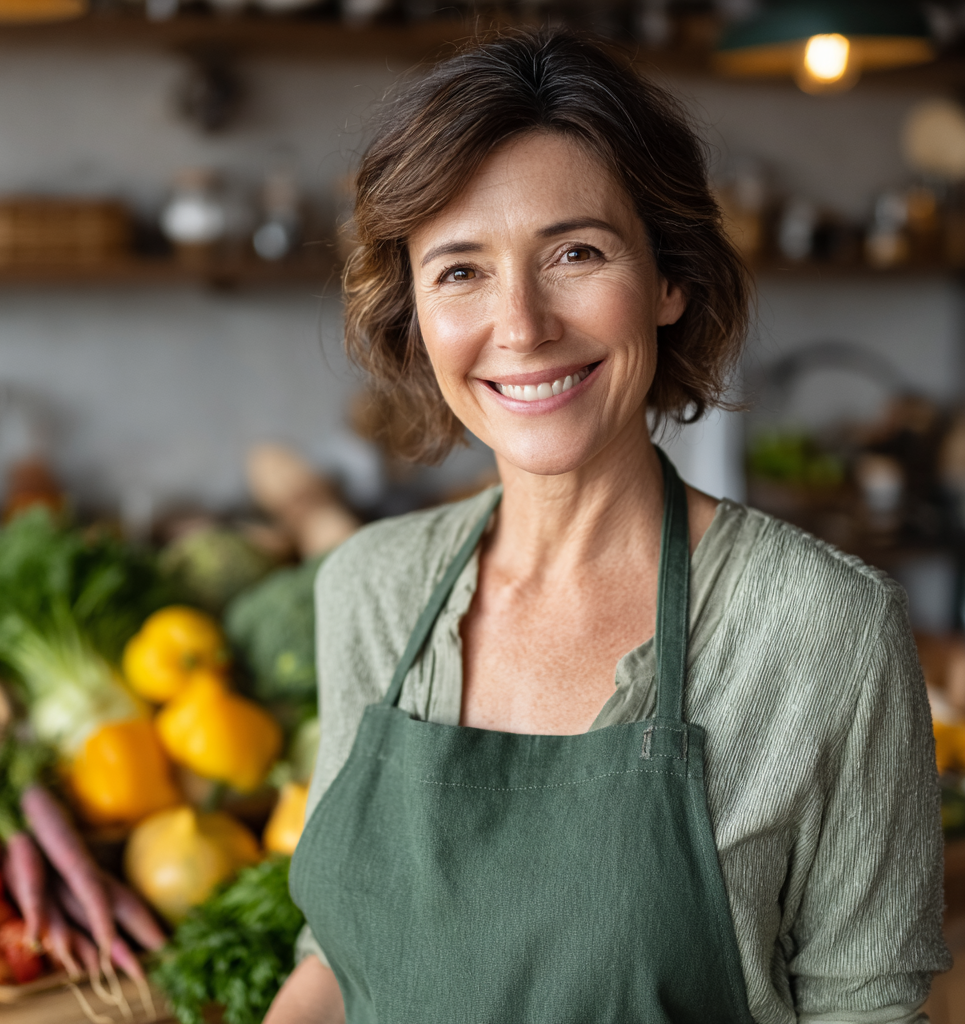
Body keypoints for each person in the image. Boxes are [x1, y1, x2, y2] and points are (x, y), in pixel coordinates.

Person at [265, 28, 949, 1024]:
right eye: (461, 270)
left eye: (575, 253)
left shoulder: (821, 629)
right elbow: (337, 957)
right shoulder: (368, 588)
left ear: (669, 280)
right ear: (413, 311)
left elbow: (866, 1010)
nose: (524, 325)